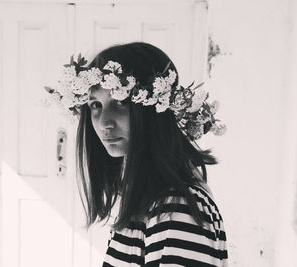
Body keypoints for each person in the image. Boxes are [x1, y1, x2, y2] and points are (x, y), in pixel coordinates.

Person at [45, 42, 228, 266]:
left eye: (120, 101)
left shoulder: (177, 209)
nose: (104, 123)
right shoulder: (147, 200)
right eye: (95, 105)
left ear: (153, 109)